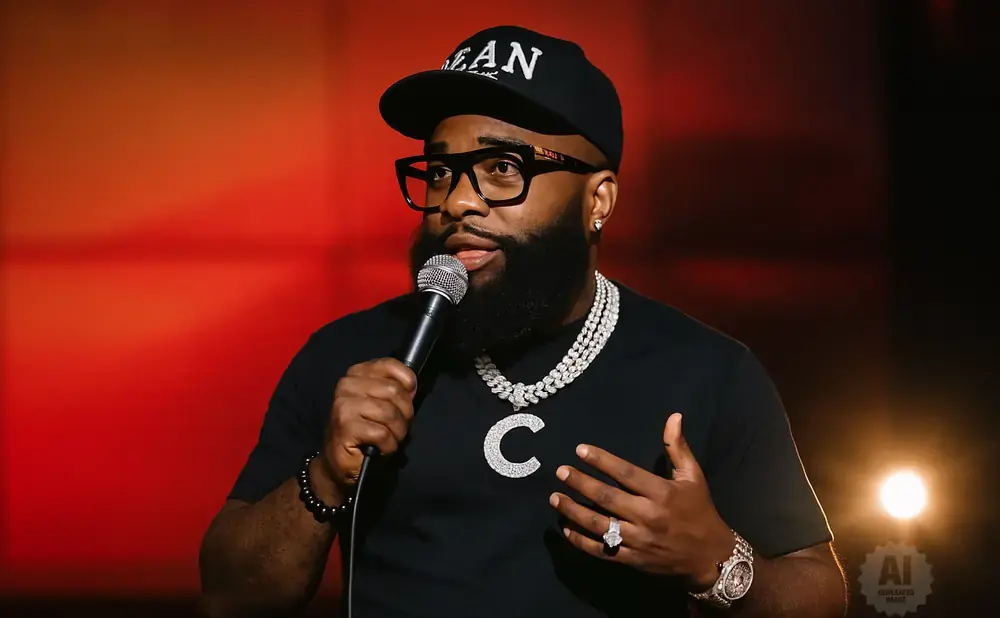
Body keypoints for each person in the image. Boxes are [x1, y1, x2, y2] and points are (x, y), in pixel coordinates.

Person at [199, 25, 847, 618]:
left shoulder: (706, 370)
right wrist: (324, 476)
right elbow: (230, 597)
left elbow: (821, 592)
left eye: (503, 169)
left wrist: (717, 564)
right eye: (442, 172)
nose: (455, 202)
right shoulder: (351, 355)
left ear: (598, 200)